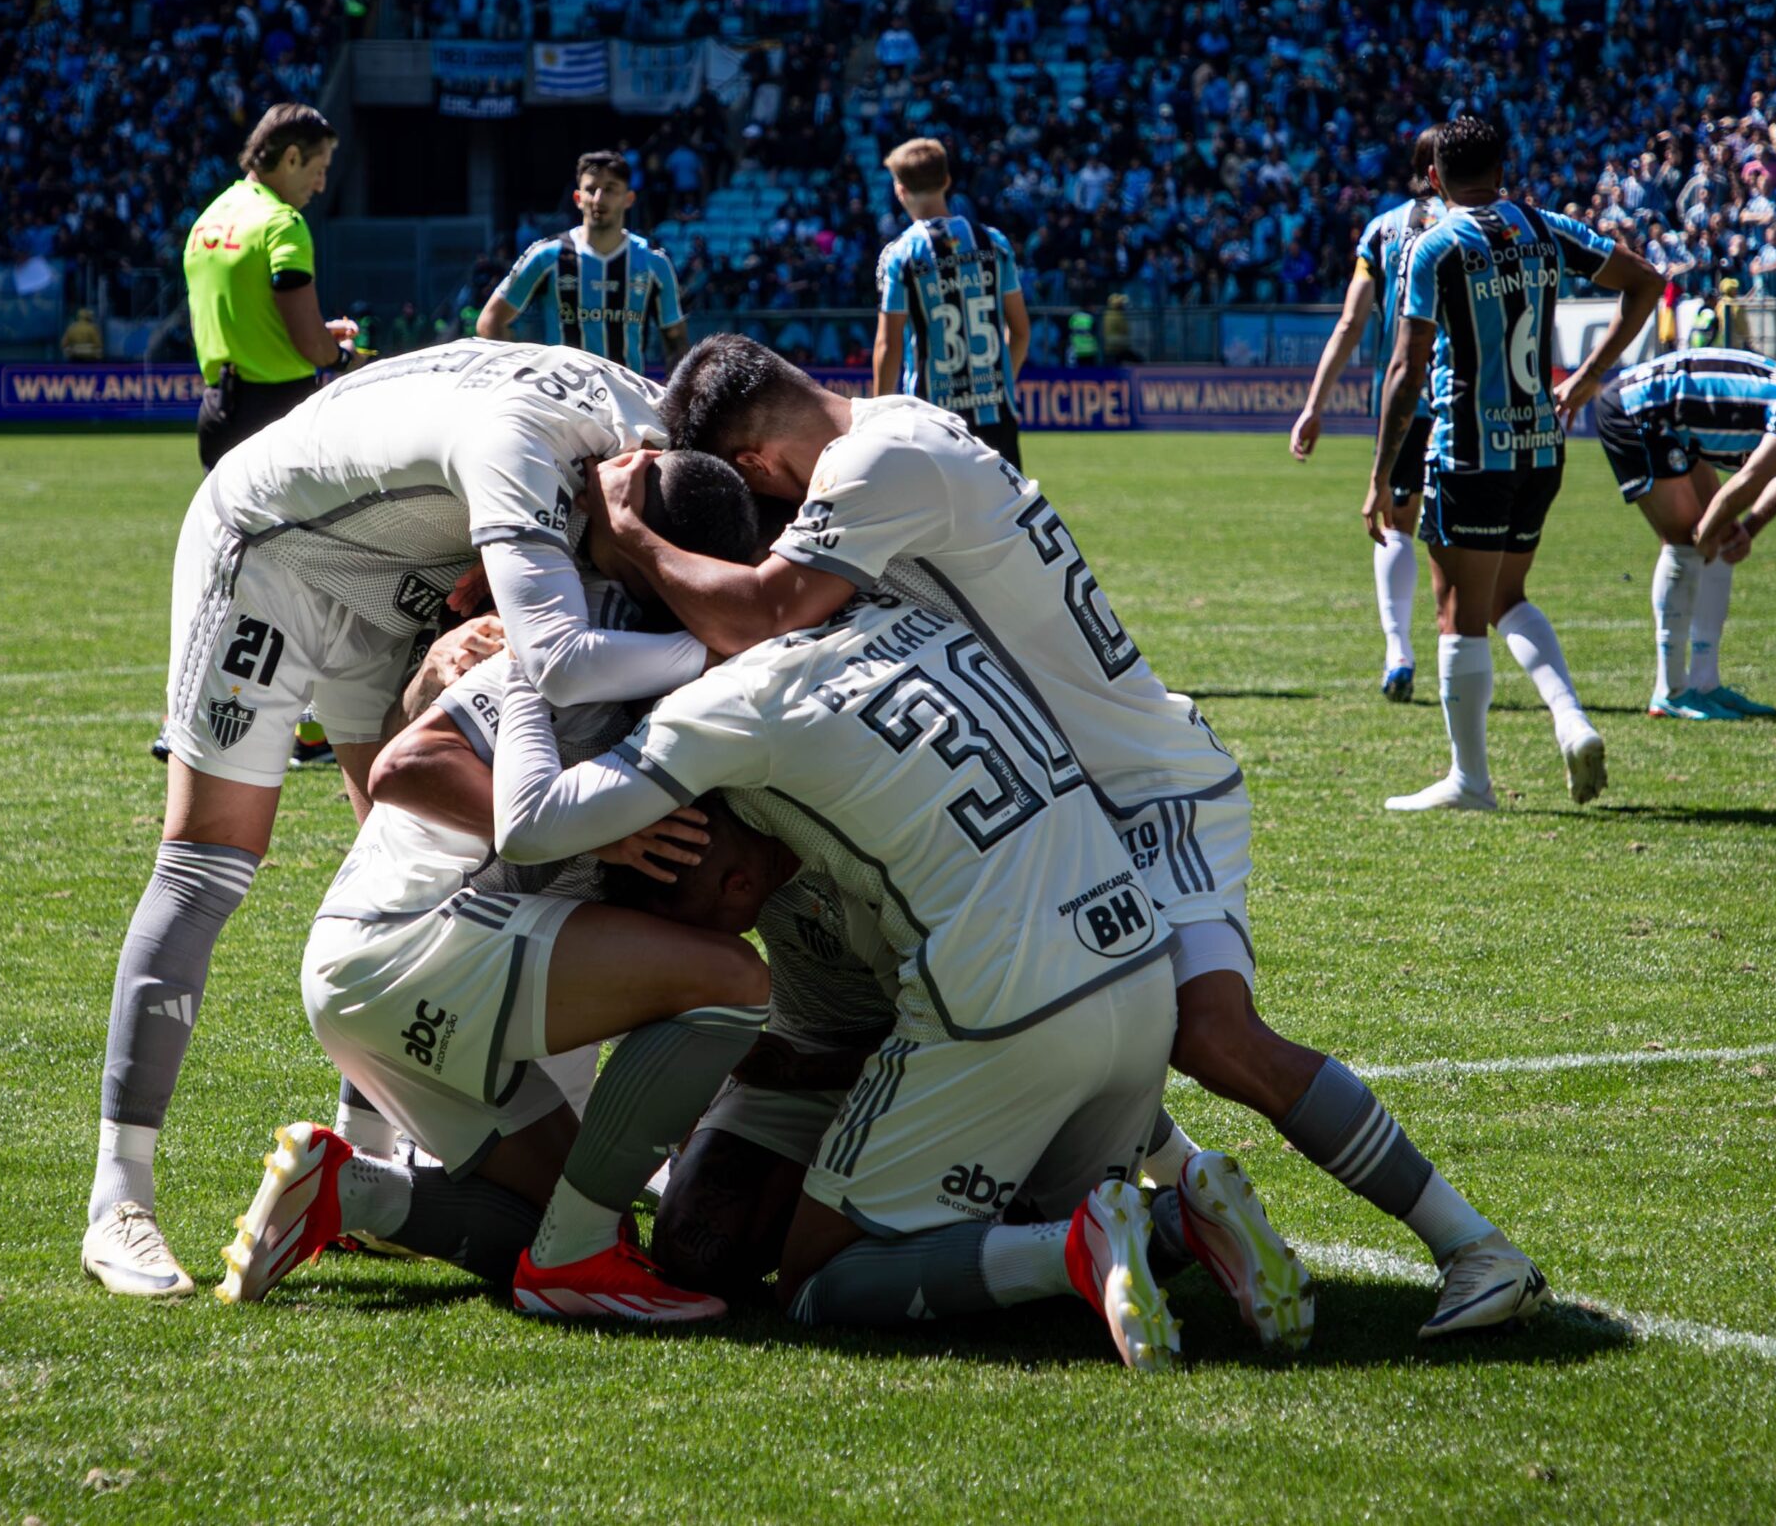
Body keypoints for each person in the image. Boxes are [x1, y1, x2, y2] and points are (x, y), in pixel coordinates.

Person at [609, 336, 1541, 1341]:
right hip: (1077, 795)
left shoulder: (875, 463)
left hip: (1142, 791)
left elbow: (770, 610)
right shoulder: (900, 431)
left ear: (755, 465)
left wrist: (631, 540)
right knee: (1075, 1018)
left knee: (1209, 1032)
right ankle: (1180, 1203)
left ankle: (1471, 1246)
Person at [79, 338, 715, 1298]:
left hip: (400, 566)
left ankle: (368, 1155)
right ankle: (117, 1200)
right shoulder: (535, 450)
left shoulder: (641, 438)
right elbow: (562, 660)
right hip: (277, 547)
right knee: (209, 863)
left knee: (407, 849)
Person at [487, 585, 1190, 1368]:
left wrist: (529, 661)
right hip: (967, 1014)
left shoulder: (833, 791)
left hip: (957, 1037)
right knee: (697, 1246)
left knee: (816, 1283)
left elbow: (948, 1013)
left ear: (732, 887)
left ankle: (1103, 1225)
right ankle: (1177, 1215)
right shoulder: (717, 759)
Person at [213, 452, 771, 1323]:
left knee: (560, 1220)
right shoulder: (587, 641)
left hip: (382, 976)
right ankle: (575, 1264)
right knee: (735, 979)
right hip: (406, 943)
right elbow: (405, 764)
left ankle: (349, 1189)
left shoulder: (622, 642)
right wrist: (605, 829)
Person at [1364, 115, 1665, 812]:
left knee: (1457, 610)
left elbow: (1406, 367)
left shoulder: (1433, 246)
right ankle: (1570, 719)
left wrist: (1381, 474)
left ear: (1434, 178)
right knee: (1506, 598)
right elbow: (1646, 282)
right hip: (1541, 448)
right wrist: (1589, 377)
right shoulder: (1545, 225)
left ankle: (1471, 780)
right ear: (1504, 169)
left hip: (1470, 451)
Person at [175, 103, 361, 772]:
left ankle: (186, 717)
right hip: (276, 413)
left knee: (227, 572)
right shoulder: (283, 224)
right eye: (317, 167)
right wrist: (341, 356)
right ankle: (307, 727)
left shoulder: (214, 217)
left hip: (219, 405)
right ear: (288, 159)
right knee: (305, 574)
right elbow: (307, 340)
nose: (320, 183)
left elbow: (250, 312)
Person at [1560, 348, 1776, 719]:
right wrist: (1703, 536)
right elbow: (1749, 479)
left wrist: (1736, 529)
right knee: (1684, 543)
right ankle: (1670, 692)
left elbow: (1770, 479)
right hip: (1639, 409)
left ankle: (1704, 683)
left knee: (1721, 539)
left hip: (1677, 422)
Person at [1292, 127, 1444, 700]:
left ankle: (1397, 652)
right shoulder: (1477, 228)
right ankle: (1460, 648)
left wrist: (1314, 406)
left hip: (1403, 400)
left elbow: (1351, 323)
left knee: (1396, 524)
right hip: (1464, 399)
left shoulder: (1381, 230)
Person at [873, 138, 1031, 468]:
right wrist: (1000, 384)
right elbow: (1019, 331)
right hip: (995, 413)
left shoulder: (901, 255)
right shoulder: (994, 242)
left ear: (900, 190)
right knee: (1002, 517)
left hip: (932, 419)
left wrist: (878, 416)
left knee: (935, 518)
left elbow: (889, 346)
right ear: (947, 181)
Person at [478, 151, 686, 375]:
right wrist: (525, 377)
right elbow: (490, 322)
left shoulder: (654, 262)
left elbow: (678, 346)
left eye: (610, 189)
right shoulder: (546, 256)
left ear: (628, 199)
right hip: (561, 404)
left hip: (628, 404)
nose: (599, 198)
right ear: (578, 198)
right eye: (591, 189)